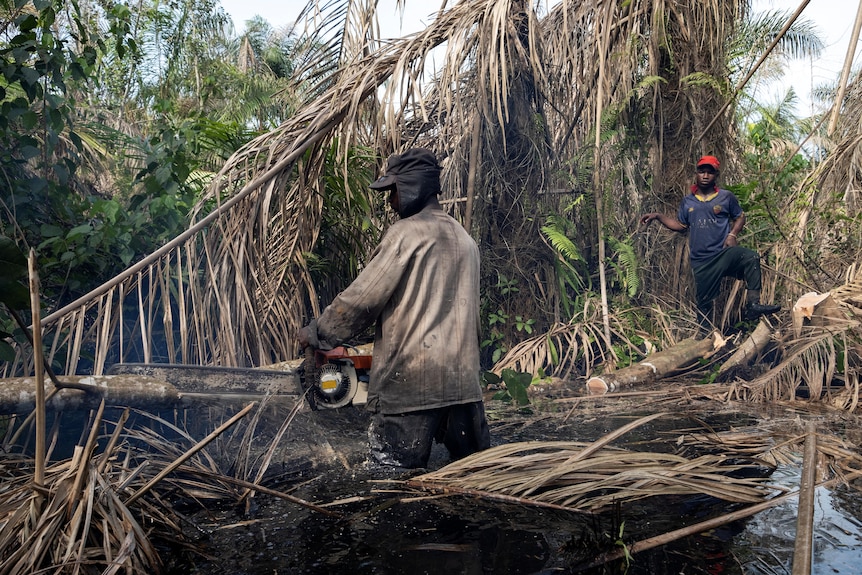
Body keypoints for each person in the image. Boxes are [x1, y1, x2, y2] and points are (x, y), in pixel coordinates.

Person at [297, 147, 490, 469]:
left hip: (412, 385)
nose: (391, 202)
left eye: (394, 192)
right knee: (471, 478)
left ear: (411, 186)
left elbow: (363, 299)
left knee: (390, 483)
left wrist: (319, 333)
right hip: (463, 386)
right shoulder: (463, 238)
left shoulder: (407, 233)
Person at [640, 155, 780, 334]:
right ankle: (705, 338)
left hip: (722, 254)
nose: (705, 175)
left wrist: (732, 234)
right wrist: (658, 216)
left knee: (750, 257)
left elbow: (740, 216)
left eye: (710, 172)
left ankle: (753, 304)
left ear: (716, 175)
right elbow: (681, 226)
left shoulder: (725, 197)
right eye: (702, 171)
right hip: (701, 261)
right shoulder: (688, 202)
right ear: (697, 174)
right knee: (703, 302)